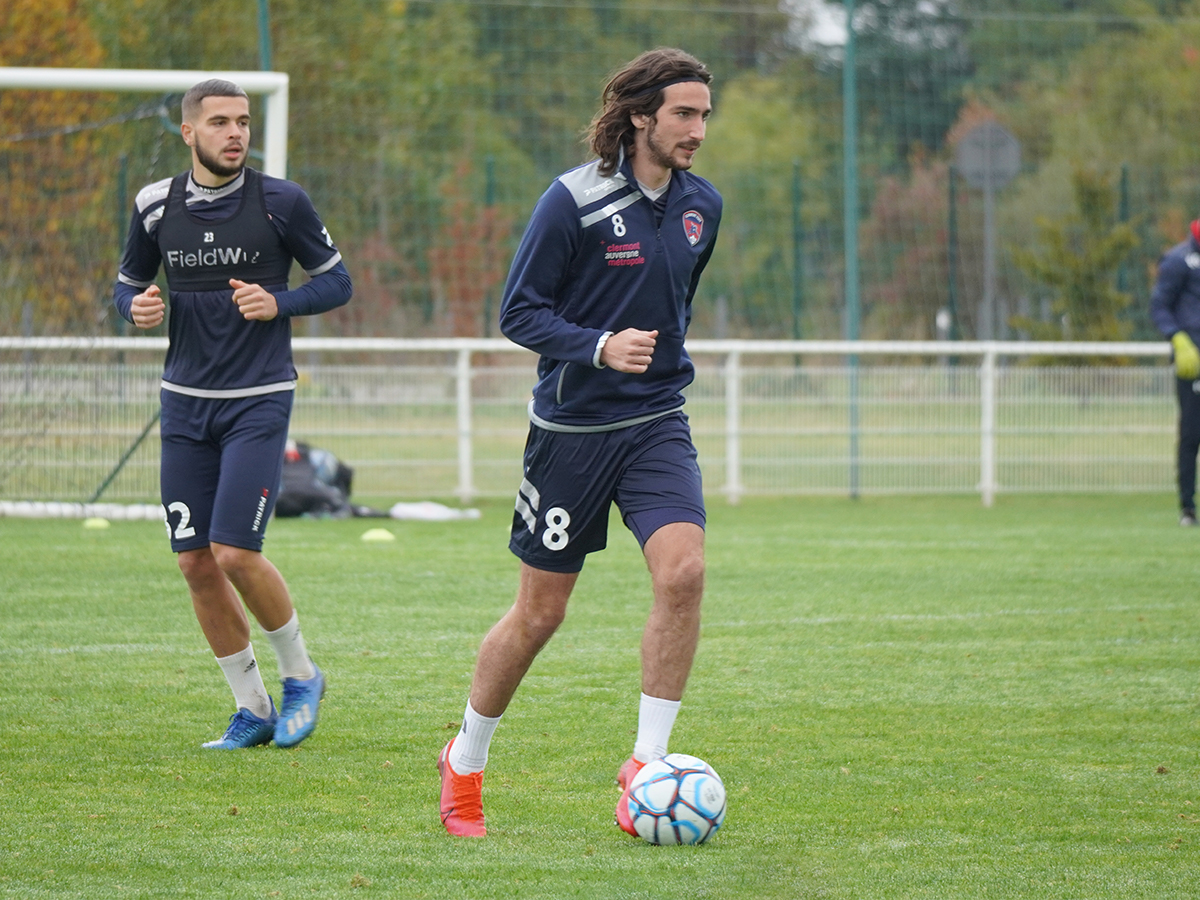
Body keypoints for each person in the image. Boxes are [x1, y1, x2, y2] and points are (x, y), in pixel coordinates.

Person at [437, 48, 721, 837]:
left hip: (656, 422)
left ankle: (647, 764)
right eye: (684, 114)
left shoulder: (703, 206)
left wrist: (648, 362)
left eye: (705, 115)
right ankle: (465, 760)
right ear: (641, 116)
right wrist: (599, 346)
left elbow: (675, 305)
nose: (698, 130)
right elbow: (518, 312)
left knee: (685, 573)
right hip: (570, 434)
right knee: (540, 615)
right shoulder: (572, 200)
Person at [112, 79, 352, 749]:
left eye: (243, 121)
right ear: (189, 132)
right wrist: (135, 307)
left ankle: (301, 676)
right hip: (184, 405)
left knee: (236, 552)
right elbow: (127, 285)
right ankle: (252, 707)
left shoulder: (282, 201)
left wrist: (281, 302)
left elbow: (337, 280)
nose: (236, 133)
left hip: (258, 400)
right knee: (195, 563)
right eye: (220, 122)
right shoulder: (155, 205)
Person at [1151, 219, 1200, 526]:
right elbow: (1159, 306)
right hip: (1193, 360)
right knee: (1192, 434)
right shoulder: (1178, 260)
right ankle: (1188, 508)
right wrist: (1178, 338)